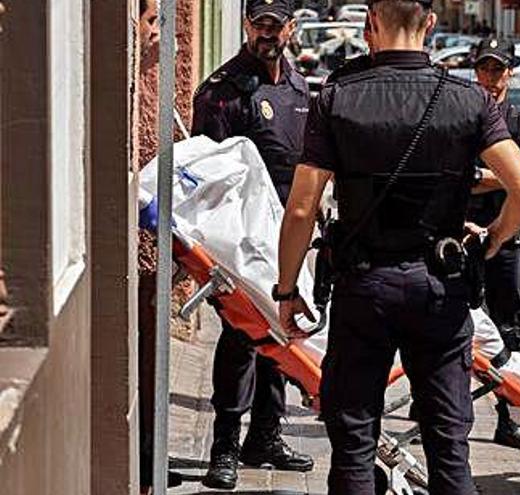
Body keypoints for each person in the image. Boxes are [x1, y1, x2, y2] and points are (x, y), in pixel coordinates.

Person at [275, 0, 520, 493]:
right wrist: (492, 239)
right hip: (439, 290)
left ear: (371, 24)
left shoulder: (335, 99)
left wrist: (287, 290)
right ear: (432, 26)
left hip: (364, 287)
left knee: (354, 444)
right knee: (448, 447)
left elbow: (300, 209)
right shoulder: (469, 101)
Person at [191, 0, 314, 489]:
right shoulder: (222, 92)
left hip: (290, 234)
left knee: (283, 335)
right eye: (258, 23)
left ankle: (265, 435)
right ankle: (224, 445)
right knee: (242, 337)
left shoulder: (300, 86)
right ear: (248, 25)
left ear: (290, 28)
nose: (266, 33)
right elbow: (205, 171)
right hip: (242, 239)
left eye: (274, 25)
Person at [469, 37, 520, 450]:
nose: (491, 78)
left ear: (510, 71)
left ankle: (507, 416)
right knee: (450, 321)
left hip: (507, 235)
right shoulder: (464, 115)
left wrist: (486, 178)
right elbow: (465, 178)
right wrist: (509, 177)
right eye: (484, 69)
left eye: (498, 69)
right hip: (465, 230)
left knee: (507, 327)